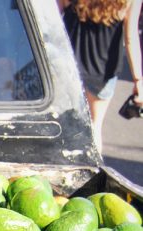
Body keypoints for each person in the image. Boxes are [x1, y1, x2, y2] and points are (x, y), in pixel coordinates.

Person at [59, 0, 143, 150]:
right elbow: (130, 37)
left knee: (64, 121)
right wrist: (138, 80)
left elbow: (55, 14)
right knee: (94, 125)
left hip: (69, 64)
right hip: (104, 71)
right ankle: (92, 163)